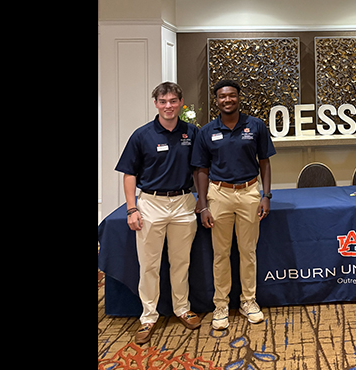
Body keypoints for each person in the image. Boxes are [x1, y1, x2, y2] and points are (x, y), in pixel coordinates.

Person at [114, 81, 203, 345]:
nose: (168, 106)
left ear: (180, 103)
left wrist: (203, 200)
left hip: (184, 202)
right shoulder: (141, 135)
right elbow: (129, 174)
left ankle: (182, 308)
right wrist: (132, 209)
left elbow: (200, 169)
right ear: (156, 104)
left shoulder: (192, 133)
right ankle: (148, 317)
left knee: (181, 262)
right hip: (150, 204)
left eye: (173, 101)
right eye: (163, 102)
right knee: (149, 265)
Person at [191, 79, 276, 331]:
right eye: (222, 96)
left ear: (239, 97)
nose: (227, 100)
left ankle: (248, 302)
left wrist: (266, 195)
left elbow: (265, 162)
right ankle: (220, 305)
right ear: (216, 100)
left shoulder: (256, 126)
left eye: (231, 95)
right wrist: (203, 203)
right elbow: (201, 170)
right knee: (221, 253)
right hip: (219, 195)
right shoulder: (207, 131)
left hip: (249, 192)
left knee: (248, 251)